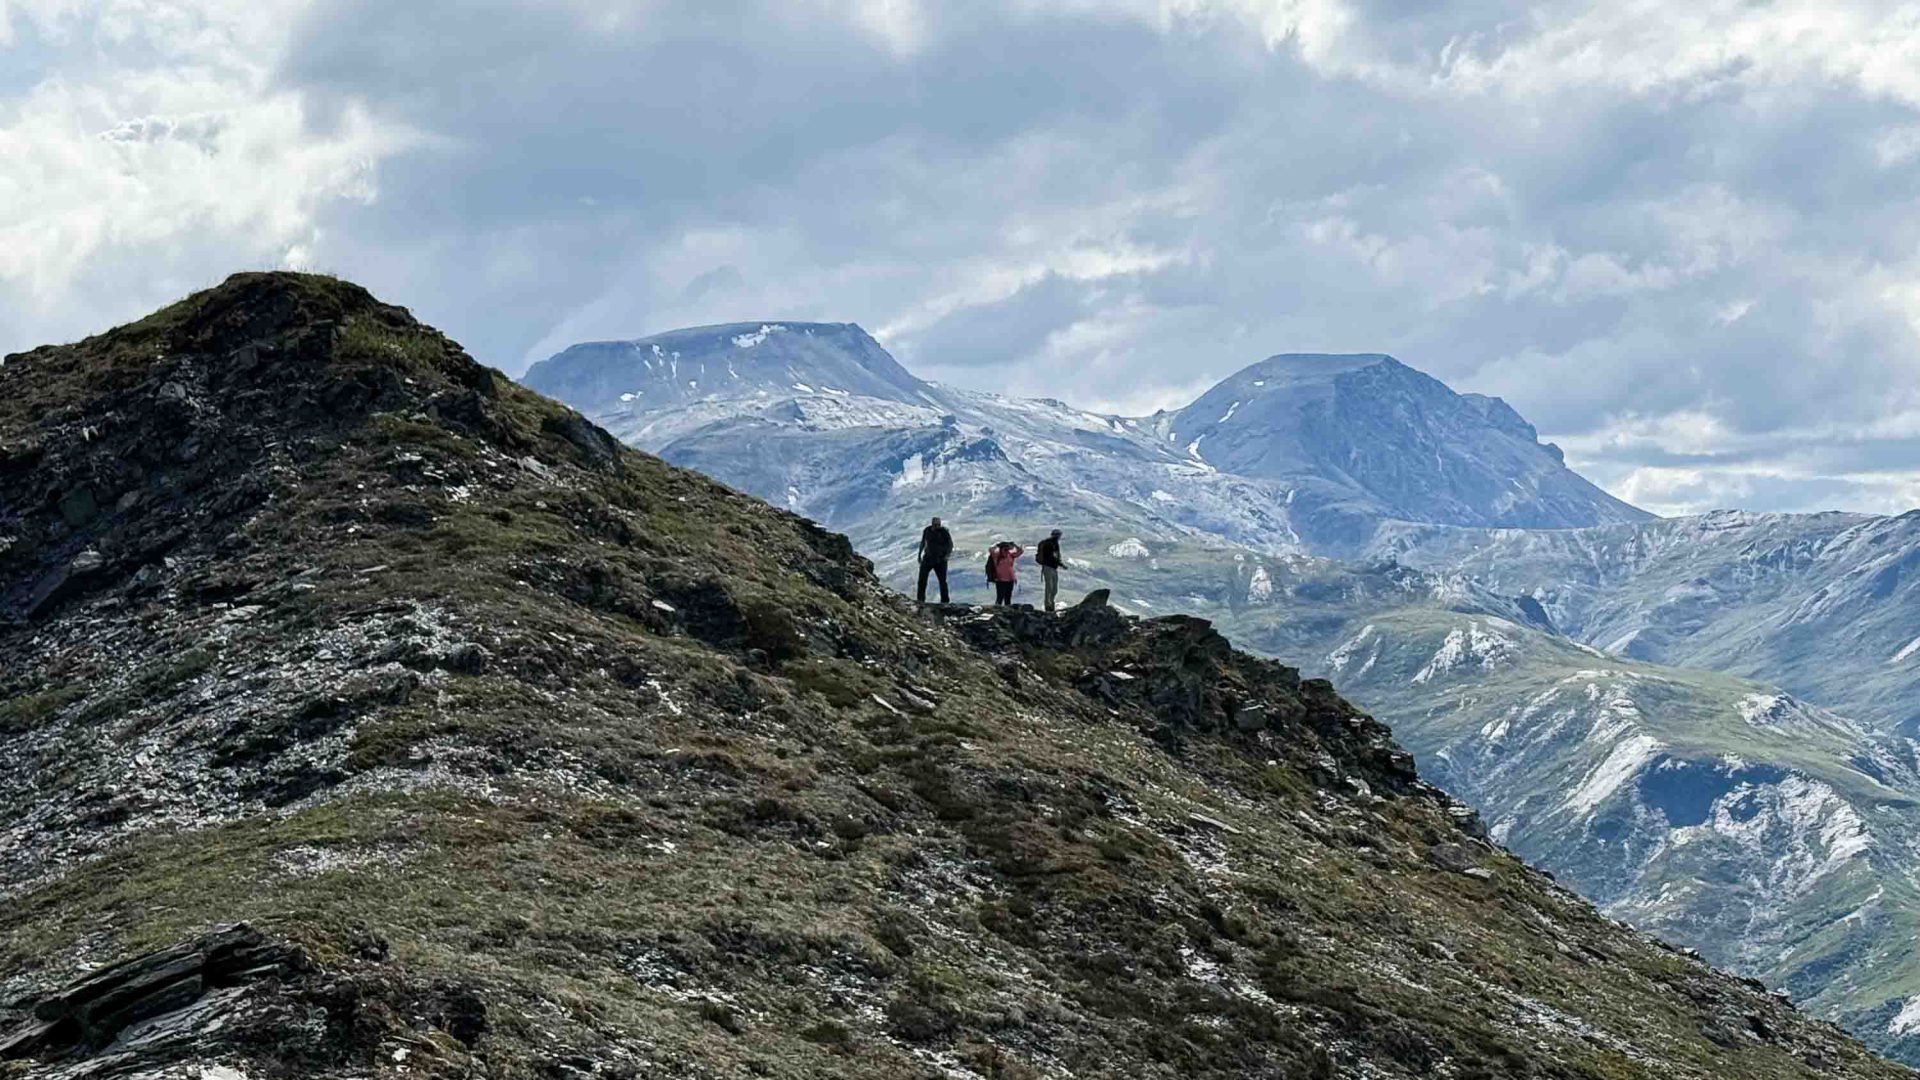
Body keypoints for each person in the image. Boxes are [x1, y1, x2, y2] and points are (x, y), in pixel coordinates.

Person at [916, 516, 954, 604]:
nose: (937, 526)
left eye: (939, 524)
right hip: (928, 558)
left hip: (940, 560)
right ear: (932, 524)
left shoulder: (944, 532)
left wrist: (947, 555)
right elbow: (923, 542)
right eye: (936, 525)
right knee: (922, 580)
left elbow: (950, 545)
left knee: (942, 582)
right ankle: (920, 600)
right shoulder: (927, 531)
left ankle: (945, 601)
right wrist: (919, 555)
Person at [986, 540, 1025, 606]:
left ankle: (1007, 611)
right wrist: (997, 544)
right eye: (1005, 549)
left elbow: (1021, 551)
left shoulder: (1011, 555)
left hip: (1010, 579)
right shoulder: (997, 555)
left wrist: (1014, 545)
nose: (1006, 551)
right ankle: (998, 610)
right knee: (1000, 598)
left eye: (1008, 549)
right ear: (1001, 548)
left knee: (1008, 598)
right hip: (1000, 580)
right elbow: (990, 549)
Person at [1035, 529, 1064, 612]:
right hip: (1048, 567)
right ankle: (1048, 605)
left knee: (1052, 588)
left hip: (1051, 567)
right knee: (1050, 587)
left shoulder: (1054, 543)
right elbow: (1052, 556)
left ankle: (1050, 604)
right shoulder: (1049, 544)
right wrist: (1060, 563)